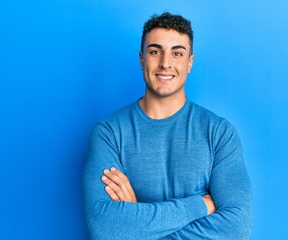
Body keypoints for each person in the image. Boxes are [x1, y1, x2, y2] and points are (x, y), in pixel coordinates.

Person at [83, 12, 252, 239]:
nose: (165, 63)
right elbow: (106, 229)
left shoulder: (219, 133)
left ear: (189, 62)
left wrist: (138, 222)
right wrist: (200, 205)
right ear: (142, 58)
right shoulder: (110, 133)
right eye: (155, 52)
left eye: (177, 53)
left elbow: (236, 230)